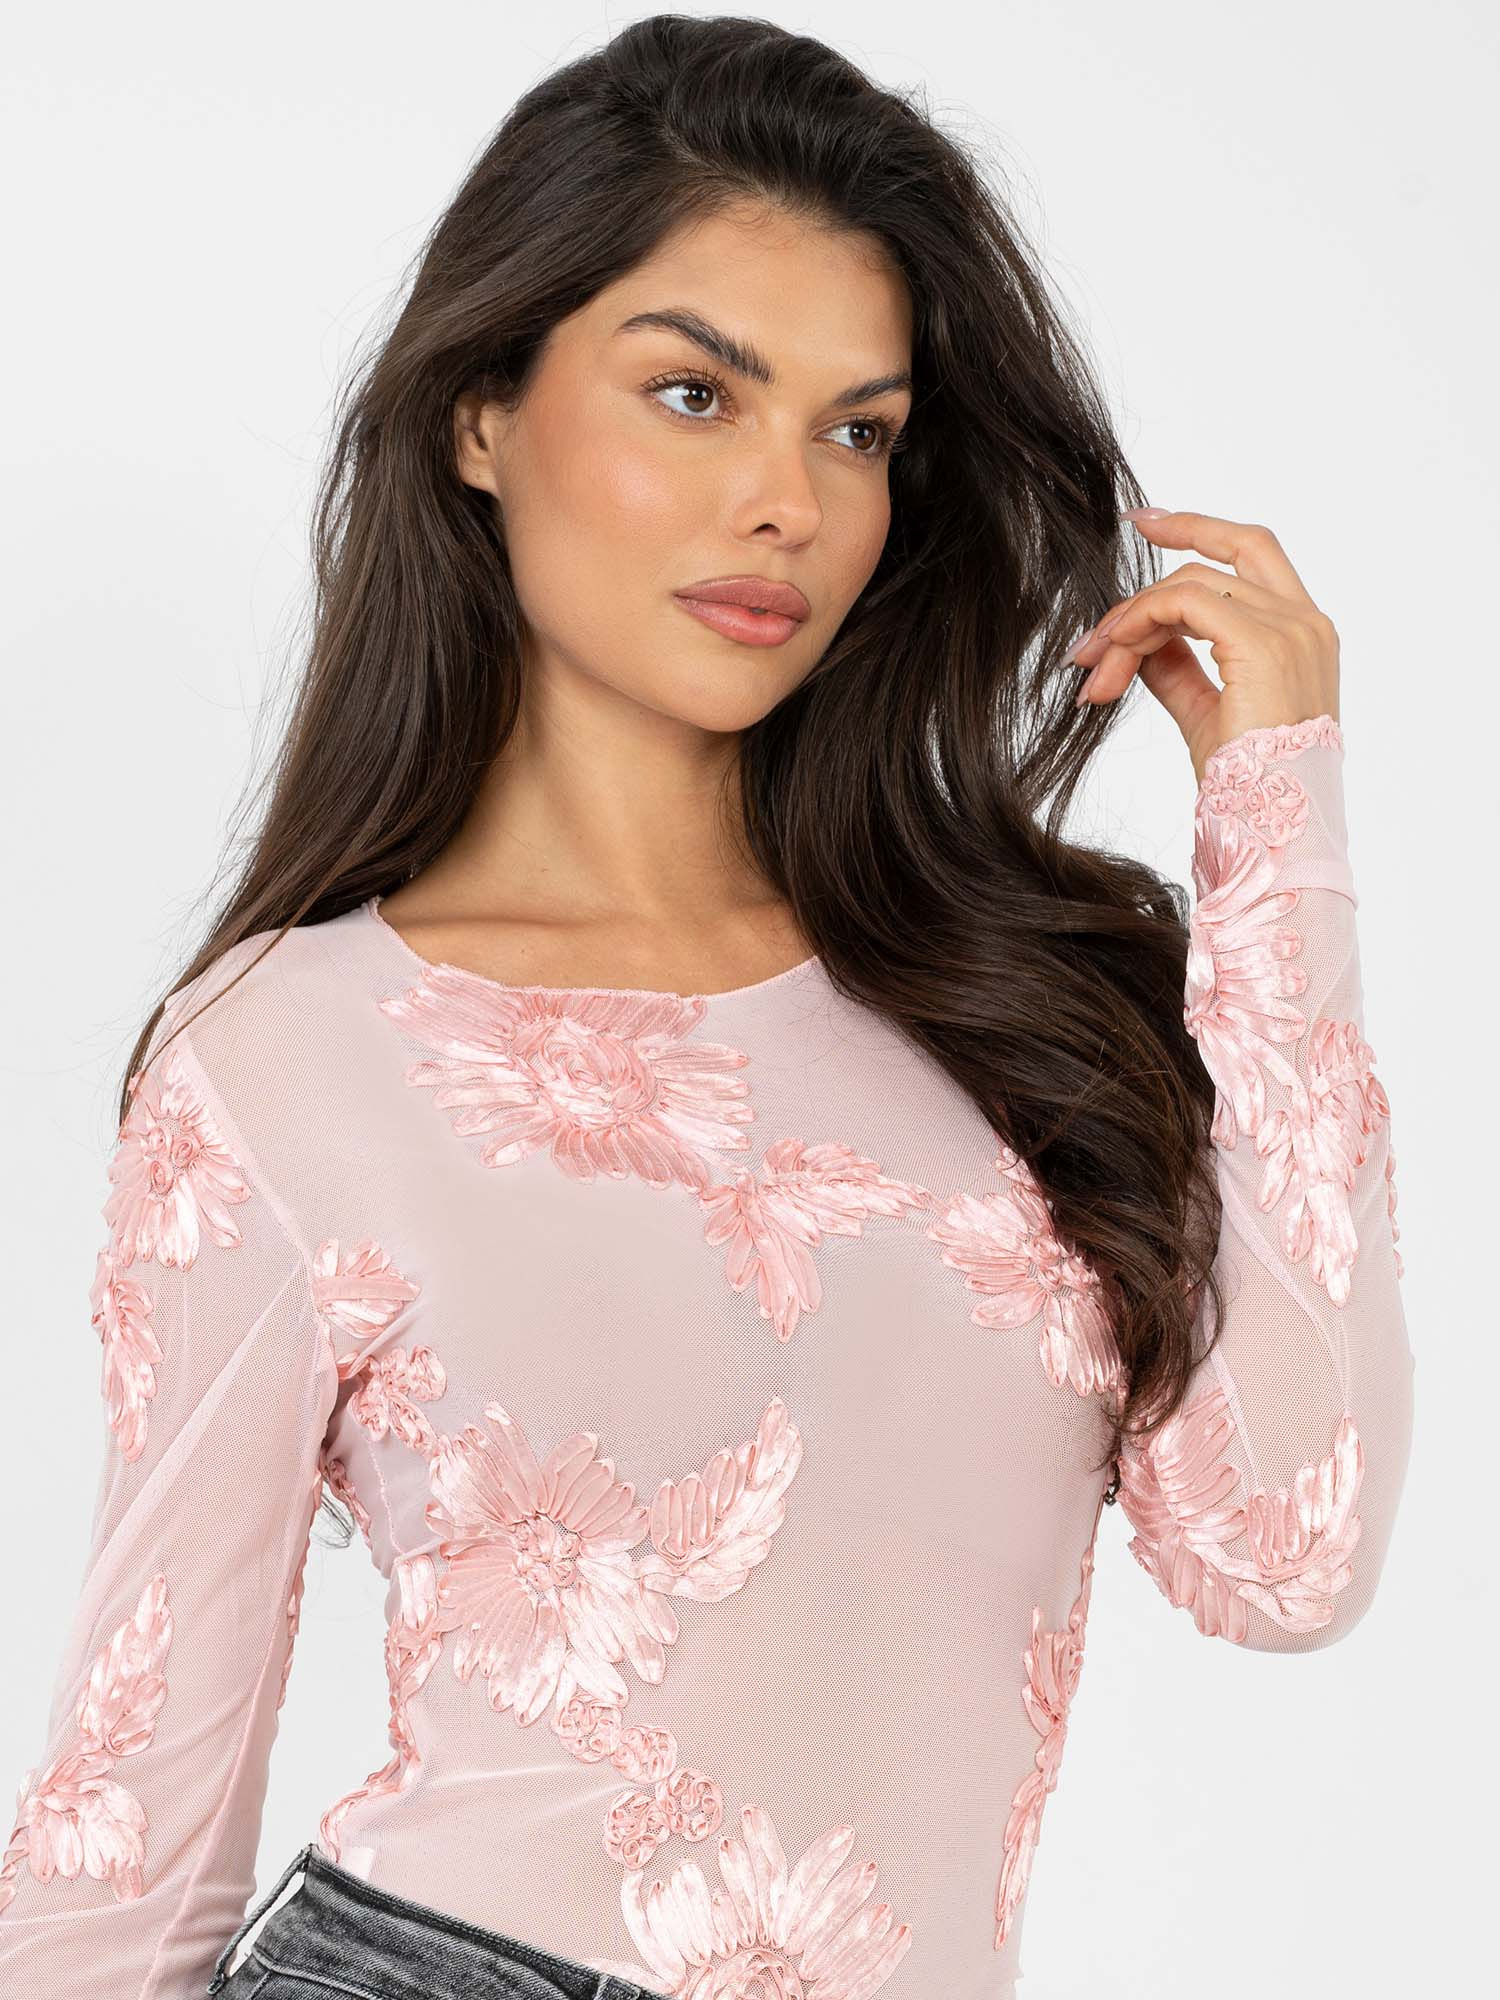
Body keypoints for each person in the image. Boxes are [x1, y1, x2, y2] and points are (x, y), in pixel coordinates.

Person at [0, 14, 1414, 2000]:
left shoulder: (1020, 999)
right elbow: (122, 1841)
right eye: (695, 394)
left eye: (858, 430)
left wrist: (1279, 824)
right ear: (483, 416)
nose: (788, 503)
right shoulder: (286, 1055)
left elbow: (1285, 1548)